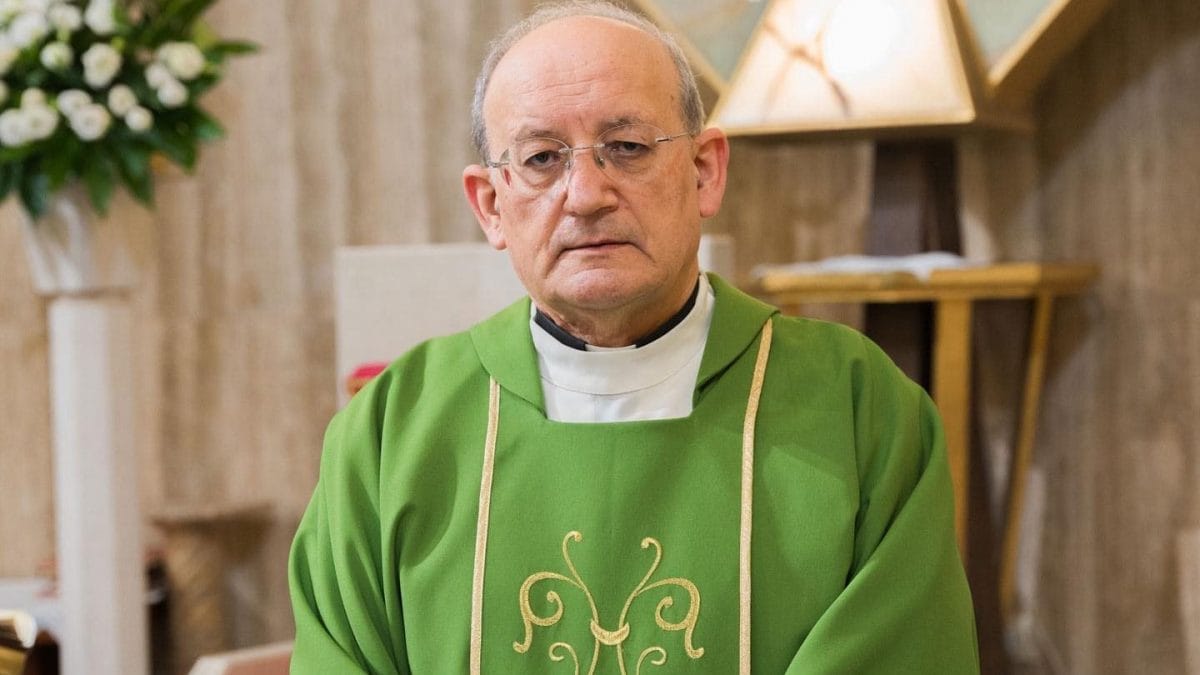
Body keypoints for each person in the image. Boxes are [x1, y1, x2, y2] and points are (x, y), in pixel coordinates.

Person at [288, 2, 979, 673]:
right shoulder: (391, 433)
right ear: (491, 205)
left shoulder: (859, 409)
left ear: (705, 171)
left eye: (626, 147)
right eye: (541, 158)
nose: (586, 193)